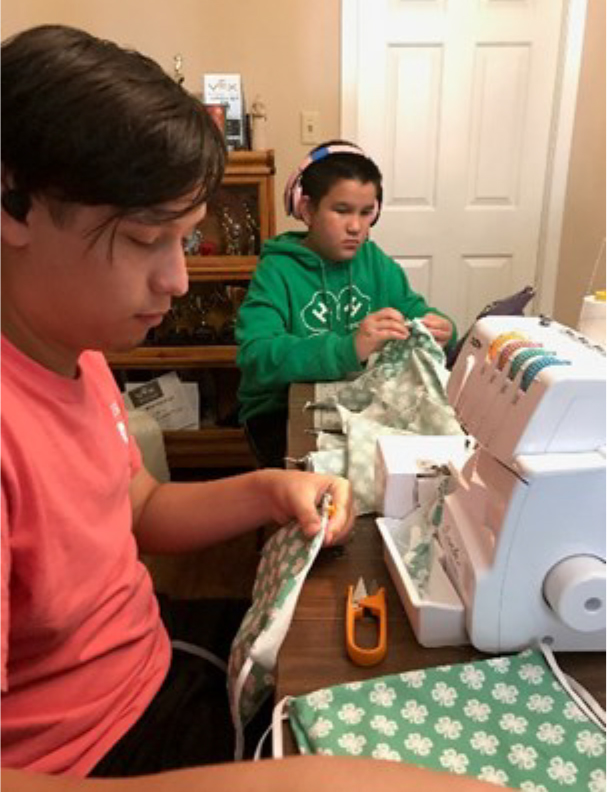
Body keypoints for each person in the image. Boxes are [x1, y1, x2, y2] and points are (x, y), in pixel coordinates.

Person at [1, 25, 495, 792]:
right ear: (13, 202)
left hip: (146, 657)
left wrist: (269, 491)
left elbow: (137, 506)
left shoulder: (77, 353)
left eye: (186, 243)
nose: (176, 281)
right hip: (88, 754)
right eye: (144, 240)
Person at [236, 141, 456, 468]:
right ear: (307, 209)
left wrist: (441, 327)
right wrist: (347, 348)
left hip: (357, 404)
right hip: (277, 410)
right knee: (322, 485)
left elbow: (412, 308)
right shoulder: (277, 270)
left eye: (366, 213)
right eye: (342, 211)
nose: (356, 226)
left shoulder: (375, 263)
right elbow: (256, 357)